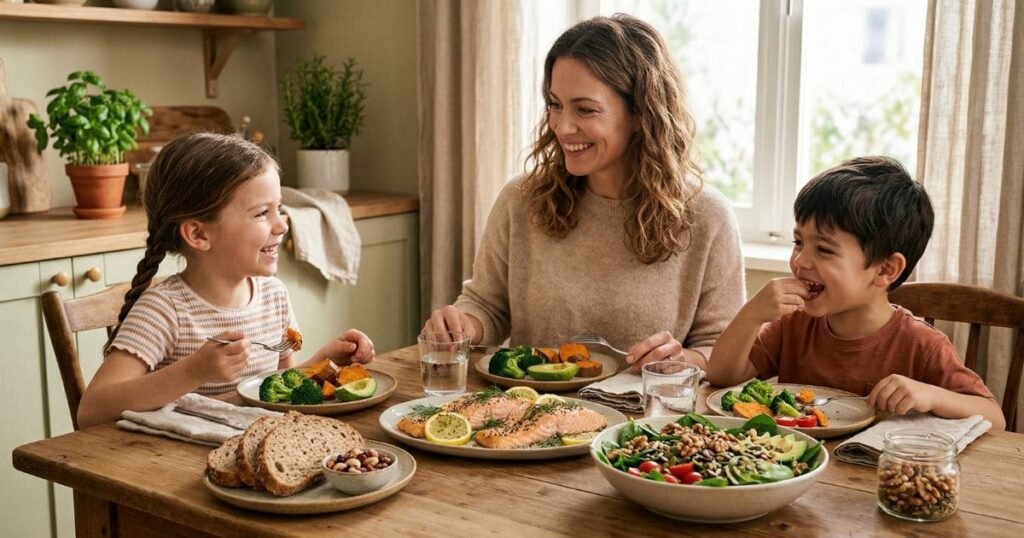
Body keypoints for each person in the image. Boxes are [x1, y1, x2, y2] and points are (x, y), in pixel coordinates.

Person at [422, 14, 745, 371]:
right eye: (555, 104)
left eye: (585, 109)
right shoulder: (520, 199)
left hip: (641, 422)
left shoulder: (707, 216)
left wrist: (684, 359)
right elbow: (487, 304)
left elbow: (722, 347)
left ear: (641, 113)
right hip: (531, 415)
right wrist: (464, 325)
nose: (562, 126)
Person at [76, 133, 375, 429]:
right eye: (262, 213)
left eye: (279, 209)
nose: (282, 224)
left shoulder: (274, 295)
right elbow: (92, 410)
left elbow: (279, 387)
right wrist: (193, 371)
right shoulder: (165, 309)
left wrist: (325, 359)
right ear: (199, 234)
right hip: (176, 465)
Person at [706, 156, 1005, 430]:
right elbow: (723, 376)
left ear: (885, 270)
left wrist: (932, 396)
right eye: (799, 242)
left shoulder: (923, 345)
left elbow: (994, 417)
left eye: (823, 249)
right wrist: (752, 314)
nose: (800, 261)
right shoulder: (793, 324)